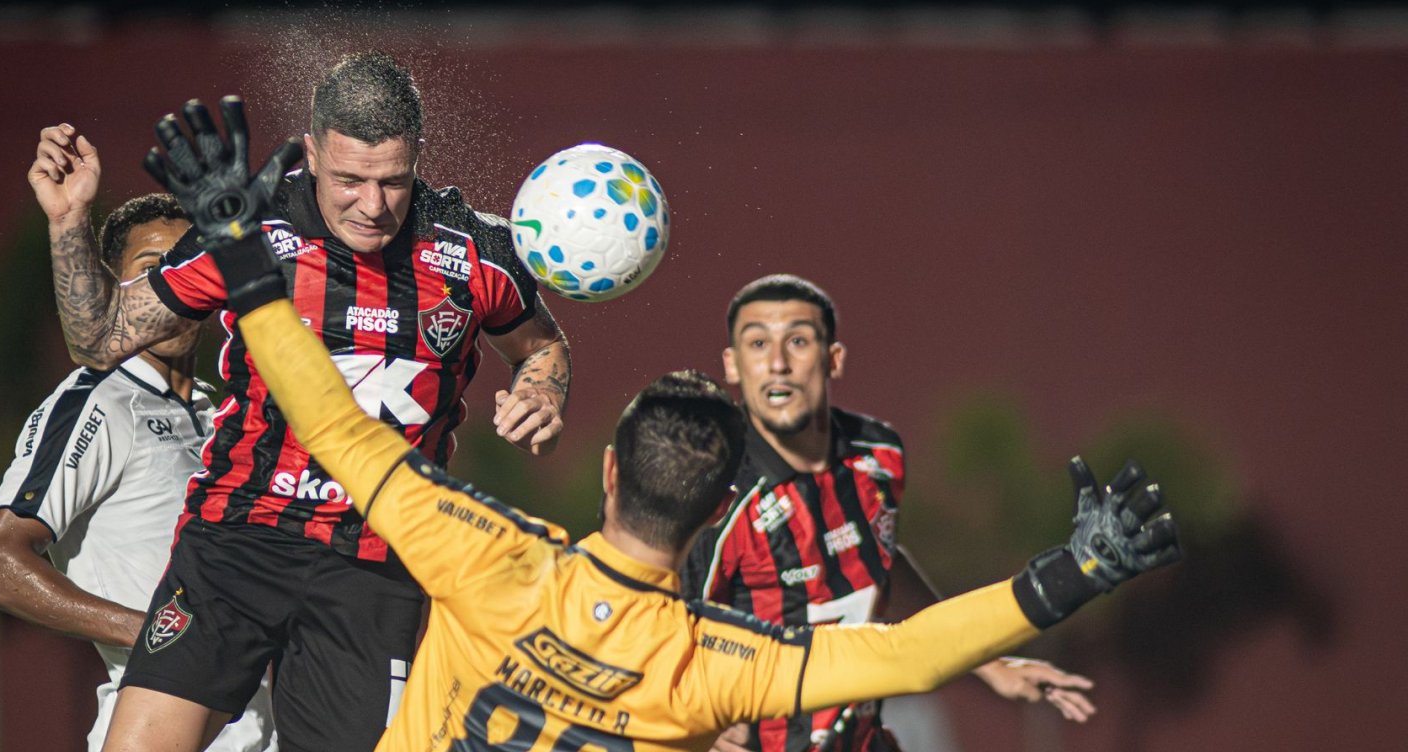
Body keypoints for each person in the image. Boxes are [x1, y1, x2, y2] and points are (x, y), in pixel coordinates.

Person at [139, 101, 1182, 752]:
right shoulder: (710, 659)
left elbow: (331, 422)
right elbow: (906, 657)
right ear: (715, 509)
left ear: (605, 475)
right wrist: (1071, 575)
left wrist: (239, 246)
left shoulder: (482, 557)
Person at [37, 52, 572, 751]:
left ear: (418, 158)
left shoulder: (474, 251)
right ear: (314, 153)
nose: (373, 205)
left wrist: (541, 387)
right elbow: (100, 338)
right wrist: (67, 221)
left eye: (392, 182)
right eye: (350, 180)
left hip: (374, 568)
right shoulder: (247, 225)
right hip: (235, 542)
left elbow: (543, 344)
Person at [682, 275, 1097, 752]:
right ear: (733, 366)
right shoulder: (717, 491)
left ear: (833, 358)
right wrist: (698, 726)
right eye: (758, 343)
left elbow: (879, 563)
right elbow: (660, 620)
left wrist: (988, 664)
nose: (778, 363)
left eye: (797, 340)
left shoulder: (877, 454)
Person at [0, 192, 275, 752]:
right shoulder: (99, 400)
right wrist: (161, 636)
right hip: (157, 723)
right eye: (152, 270)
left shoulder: (219, 409)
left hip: (259, 726)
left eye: (189, 264)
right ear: (111, 284)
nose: (173, 284)